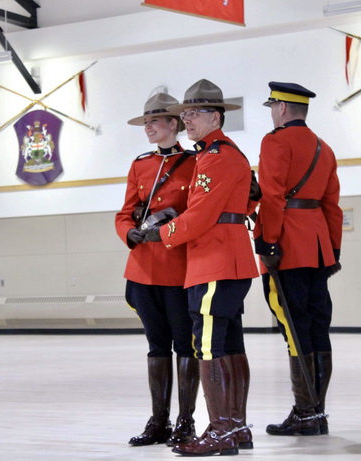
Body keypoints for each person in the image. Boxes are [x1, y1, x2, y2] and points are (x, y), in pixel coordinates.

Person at [141, 79, 259, 456]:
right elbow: (251, 197)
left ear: (216, 115)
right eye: (185, 114)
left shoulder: (217, 155)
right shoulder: (220, 153)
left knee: (207, 346)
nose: (186, 120)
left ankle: (221, 429)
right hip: (227, 258)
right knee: (229, 345)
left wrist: (161, 234)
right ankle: (236, 427)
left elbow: (203, 214)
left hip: (214, 260)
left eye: (193, 113)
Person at [253, 82, 343, 436]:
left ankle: (305, 413)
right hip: (318, 246)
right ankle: (316, 412)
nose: (273, 112)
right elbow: (332, 205)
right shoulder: (324, 147)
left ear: (283, 108)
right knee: (318, 327)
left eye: (273, 106)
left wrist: (267, 240)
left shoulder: (275, 141)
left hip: (288, 245)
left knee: (294, 328)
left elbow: (273, 196)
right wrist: (332, 250)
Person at [114, 92, 199, 447]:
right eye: (146, 122)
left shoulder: (194, 162)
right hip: (143, 268)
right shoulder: (140, 164)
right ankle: (158, 421)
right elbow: (125, 212)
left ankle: (185, 421)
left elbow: (196, 212)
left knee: (185, 345)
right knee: (156, 346)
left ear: (173, 125)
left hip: (178, 267)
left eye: (154, 122)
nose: (148, 127)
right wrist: (129, 233)